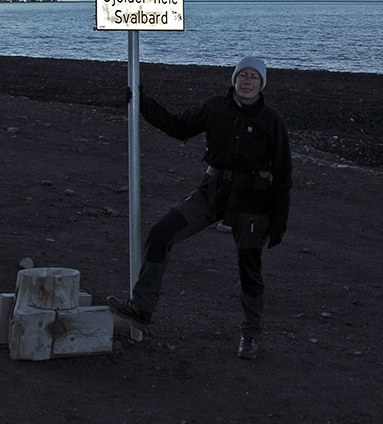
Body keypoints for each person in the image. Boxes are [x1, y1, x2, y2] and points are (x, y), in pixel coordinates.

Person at [107, 57, 292, 359]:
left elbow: (284, 173)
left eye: (254, 77)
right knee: (161, 232)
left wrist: (279, 221)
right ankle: (141, 308)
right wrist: (142, 101)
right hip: (212, 193)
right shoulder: (215, 107)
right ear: (234, 79)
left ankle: (250, 335)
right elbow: (178, 127)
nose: (247, 81)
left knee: (249, 268)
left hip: (252, 201)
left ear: (262, 84)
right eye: (242, 75)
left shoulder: (271, 120)